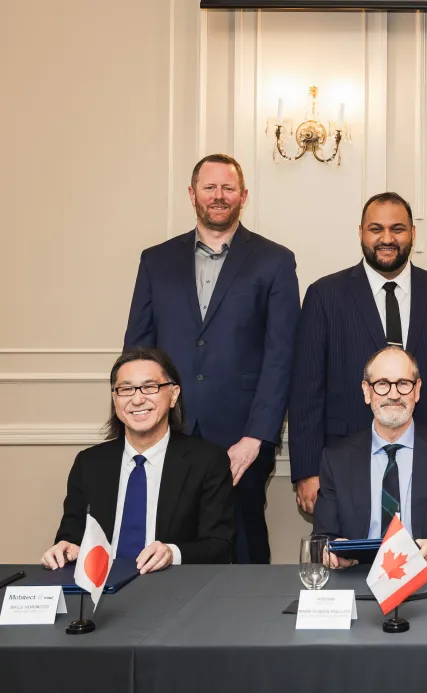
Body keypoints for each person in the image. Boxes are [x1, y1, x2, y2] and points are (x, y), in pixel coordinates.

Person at [124, 154, 299, 563]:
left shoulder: (275, 261)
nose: (219, 196)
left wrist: (256, 438)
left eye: (228, 188)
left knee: (243, 545)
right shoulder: (155, 260)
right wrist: (142, 423)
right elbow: (137, 352)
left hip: (242, 437)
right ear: (192, 194)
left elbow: (281, 356)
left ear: (243, 196)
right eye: (209, 187)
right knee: (166, 543)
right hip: (168, 429)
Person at [289, 191, 427, 515]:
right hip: (345, 462)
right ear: (361, 233)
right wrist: (308, 470)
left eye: (398, 229)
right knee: (355, 547)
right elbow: (306, 387)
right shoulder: (325, 295)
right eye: (376, 229)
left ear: (413, 233)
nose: (387, 239)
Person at [42, 349, 235, 572]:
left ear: (173, 395)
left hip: (171, 584)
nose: (137, 399)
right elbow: (71, 536)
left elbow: (220, 546)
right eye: (126, 389)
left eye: (150, 387)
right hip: (102, 585)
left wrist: (172, 553)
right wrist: (66, 548)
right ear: (115, 398)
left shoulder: (207, 461)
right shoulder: (89, 463)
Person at [314, 347, 427, 568]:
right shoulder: (336, 459)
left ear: (417, 390)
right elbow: (322, 537)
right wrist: (331, 552)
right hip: (359, 576)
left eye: (403, 383)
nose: (394, 394)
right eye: (382, 384)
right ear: (367, 391)